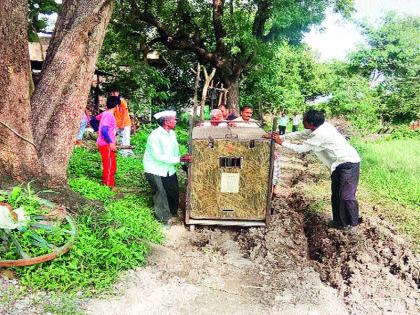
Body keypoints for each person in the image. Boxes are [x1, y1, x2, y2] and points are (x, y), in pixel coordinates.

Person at [271, 109, 361, 230]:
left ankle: (353, 224)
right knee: (336, 194)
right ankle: (338, 221)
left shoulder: (321, 134)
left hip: (349, 163)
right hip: (337, 164)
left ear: (311, 123)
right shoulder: (320, 127)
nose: (303, 122)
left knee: (346, 196)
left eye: (304, 120)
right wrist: (280, 136)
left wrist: (281, 143)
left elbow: (302, 149)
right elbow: (300, 134)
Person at [143, 110, 192, 224]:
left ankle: (172, 212)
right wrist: (178, 159)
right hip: (154, 169)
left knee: (173, 191)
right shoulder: (155, 135)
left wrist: (182, 162)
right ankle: (164, 218)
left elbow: (175, 152)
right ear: (166, 121)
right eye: (174, 119)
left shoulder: (172, 134)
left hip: (168, 168)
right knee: (160, 192)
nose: (176, 121)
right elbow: (157, 156)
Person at [97, 96, 119, 189]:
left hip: (105, 143)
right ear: (116, 106)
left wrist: (97, 132)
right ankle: (109, 185)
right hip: (106, 144)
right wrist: (110, 142)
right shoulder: (109, 115)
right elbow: (104, 130)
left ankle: (108, 182)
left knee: (111, 164)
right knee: (109, 165)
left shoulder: (104, 114)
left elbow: (94, 121)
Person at [111, 88, 133, 157]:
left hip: (125, 123)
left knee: (125, 139)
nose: (113, 94)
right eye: (112, 93)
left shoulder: (122, 101)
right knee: (120, 138)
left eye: (114, 93)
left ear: (117, 93)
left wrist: (122, 124)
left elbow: (124, 113)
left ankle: (125, 154)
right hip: (117, 123)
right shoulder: (113, 102)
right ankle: (125, 152)